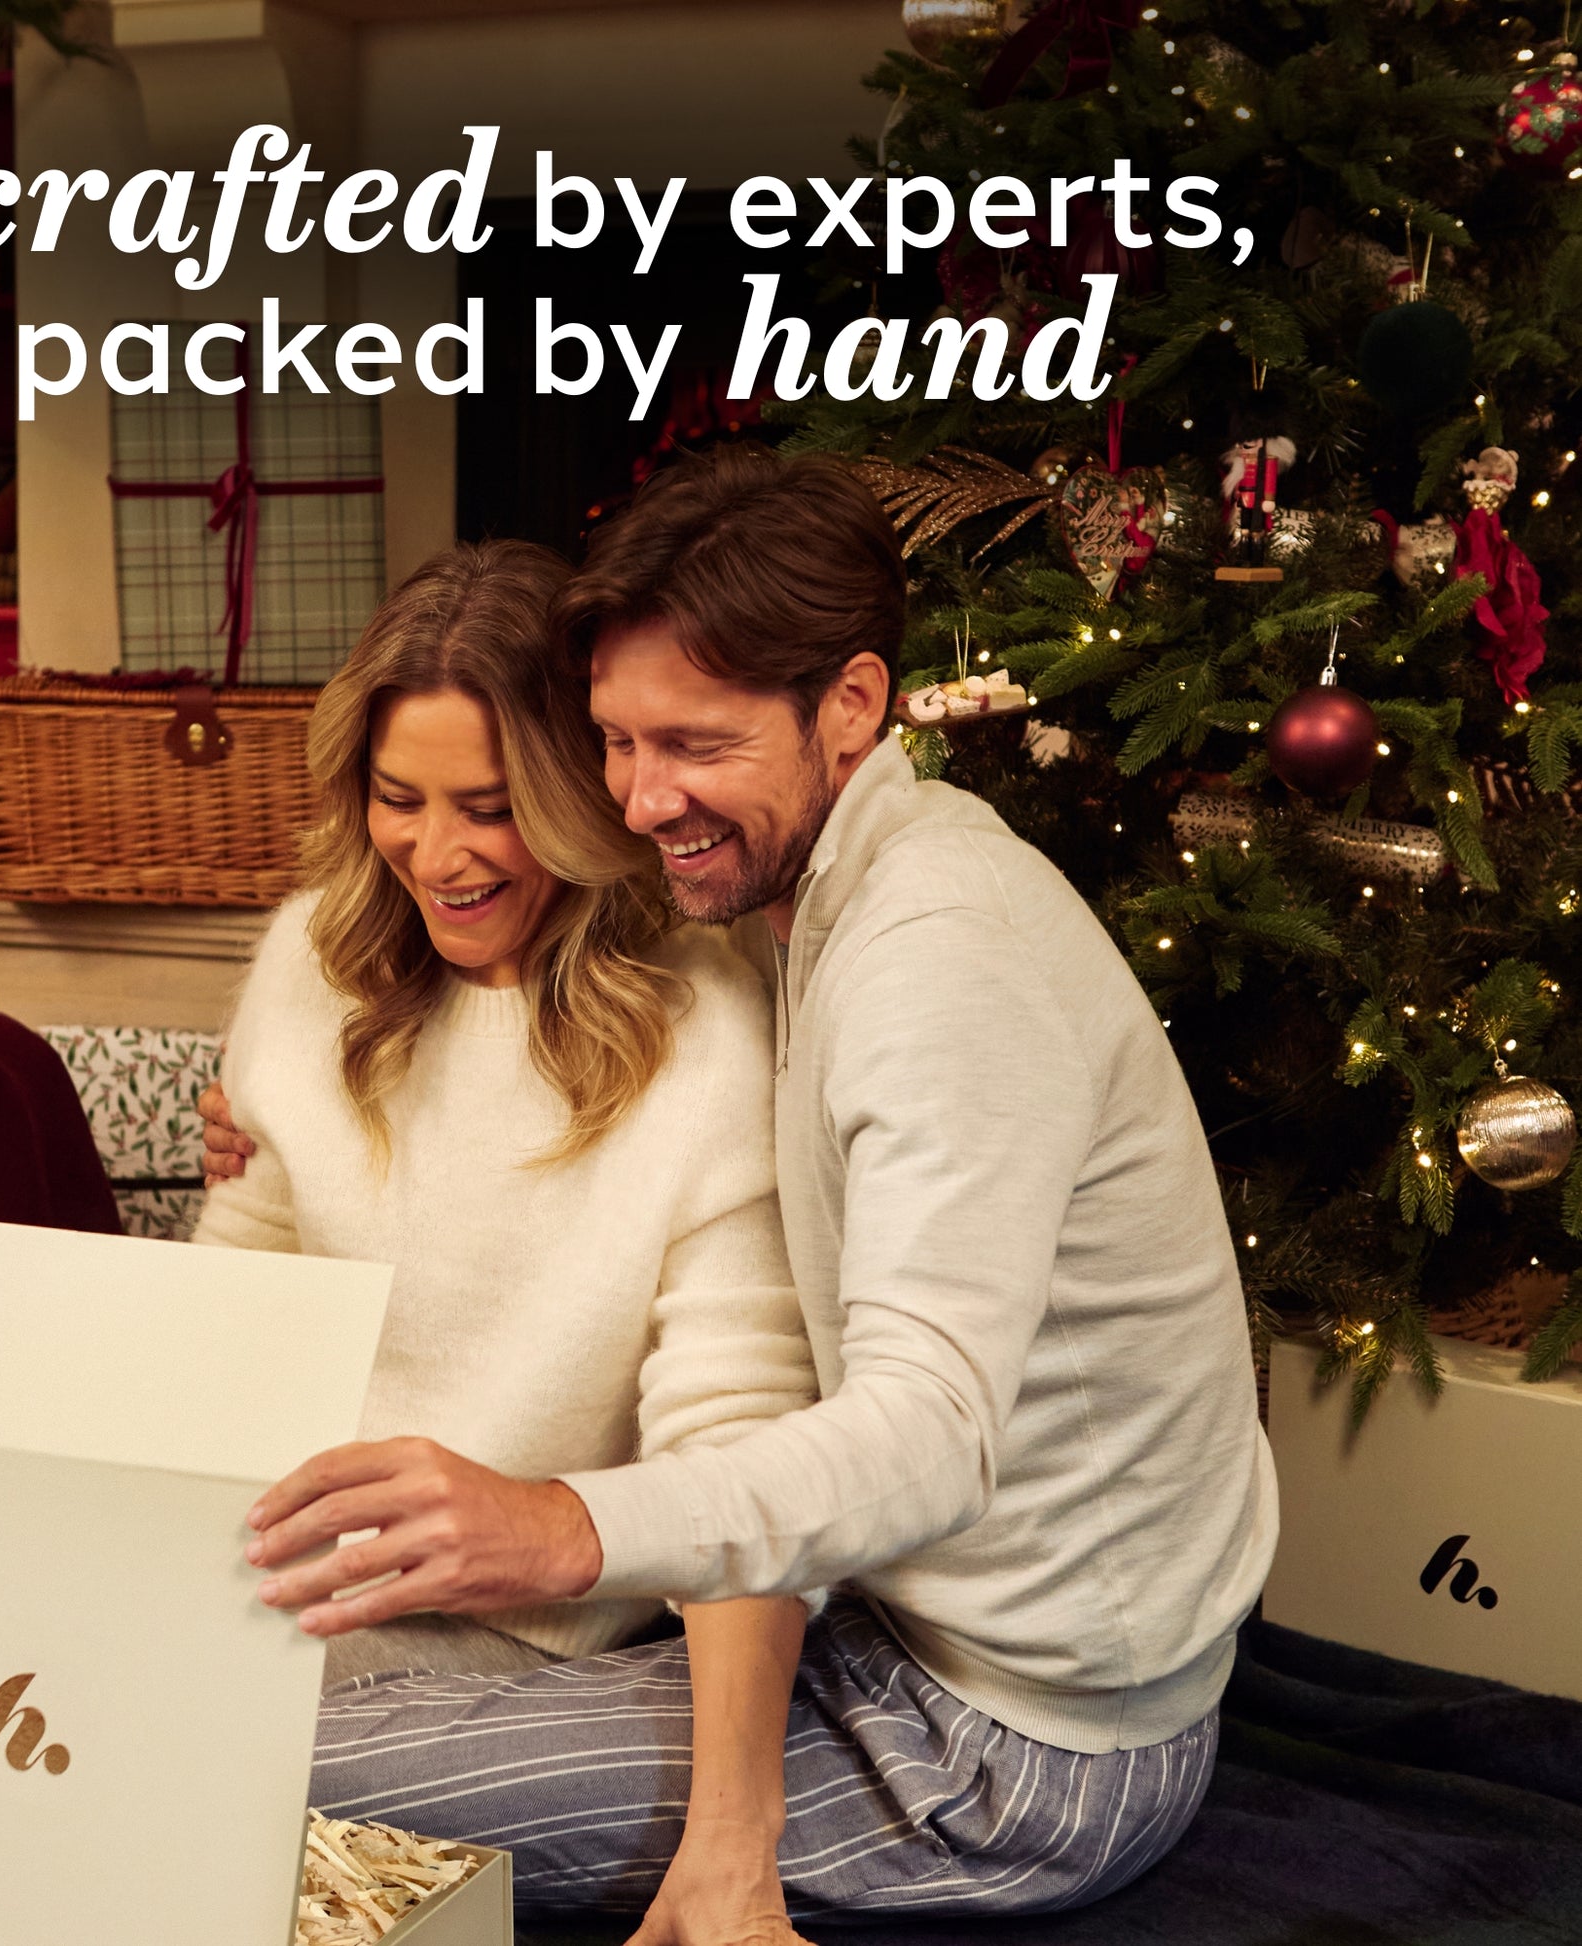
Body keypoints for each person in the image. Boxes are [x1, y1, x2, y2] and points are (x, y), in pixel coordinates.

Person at [208, 446, 1280, 1924]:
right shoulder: (816, 908)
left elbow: (924, 1439)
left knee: (217, 1755)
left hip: (1013, 1745)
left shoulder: (935, 960)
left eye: (694, 745)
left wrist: (555, 1527)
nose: (642, 800)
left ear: (850, 706)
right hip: (894, 1633)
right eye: (612, 743)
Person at [0, 540, 822, 1946]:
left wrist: (737, 1827)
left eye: (490, 807)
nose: (437, 852)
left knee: (81, 1735)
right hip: (264, 1528)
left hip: (490, 1610)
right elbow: (229, 1297)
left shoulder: (706, 1029)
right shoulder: (317, 952)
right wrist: (83, 1514)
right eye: (396, 800)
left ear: (580, 798)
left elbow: (737, 1433)